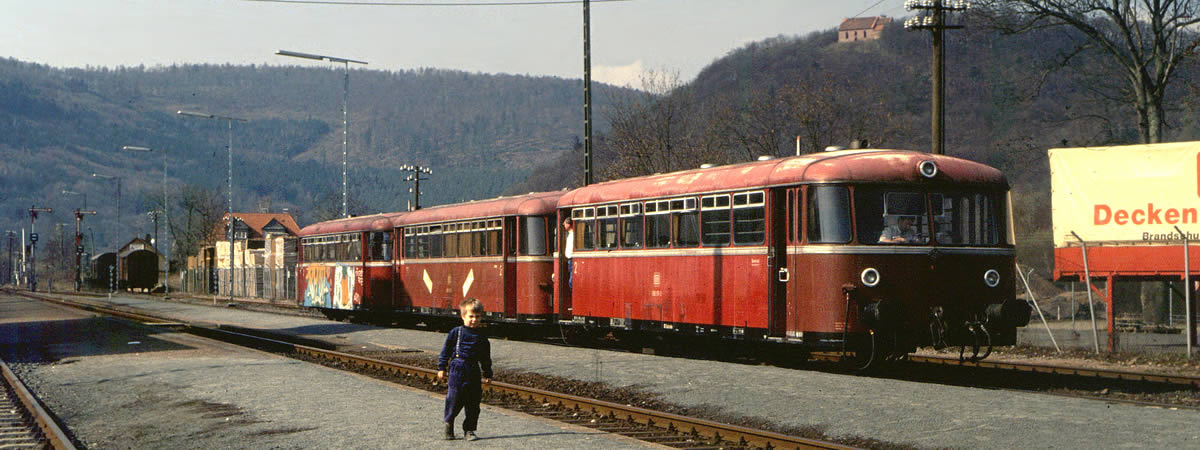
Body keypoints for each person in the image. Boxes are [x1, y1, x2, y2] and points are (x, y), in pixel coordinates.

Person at [437, 298, 493, 441]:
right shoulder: (456, 332)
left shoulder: (482, 338)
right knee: (454, 399)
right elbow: (445, 351)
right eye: (471, 316)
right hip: (457, 368)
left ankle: (469, 430)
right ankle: (449, 423)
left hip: (473, 369)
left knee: (473, 402)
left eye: (477, 317)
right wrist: (441, 367)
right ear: (463, 316)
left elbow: (485, 357)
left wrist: (487, 373)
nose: (474, 320)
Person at [562, 217, 575, 288]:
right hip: (569, 260)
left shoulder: (573, 235)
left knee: (571, 282)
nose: (564, 225)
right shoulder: (570, 234)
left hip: (572, 259)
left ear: (569, 225)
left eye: (565, 224)